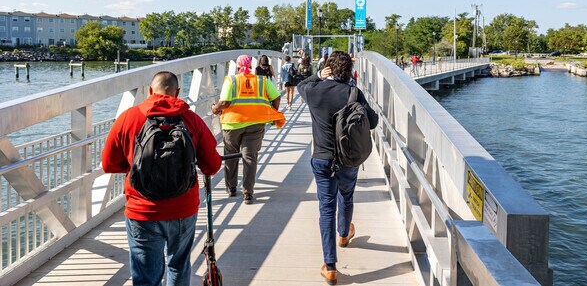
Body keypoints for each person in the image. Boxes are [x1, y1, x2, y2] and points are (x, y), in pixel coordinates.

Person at [102, 71, 222, 286]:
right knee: (178, 265)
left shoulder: (129, 118)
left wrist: (135, 168)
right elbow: (212, 166)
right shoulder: (191, 119)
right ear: (177, 93)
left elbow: (108, 163)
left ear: (150, 91)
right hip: (182, 209)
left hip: (142, 210)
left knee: (146, 276)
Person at [297, 52, 379, 285]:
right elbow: (372, 122)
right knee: (346, 195)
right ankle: (344, 234)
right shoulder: (353, 93)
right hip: (348, 158)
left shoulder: (314, 92)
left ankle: (330, 265)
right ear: (350, 71)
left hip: (322, 159)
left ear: (328, 70)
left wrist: (317, 75)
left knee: (326, 208)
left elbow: (302, 83)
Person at [211, 54, 285, 204]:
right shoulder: (261, 80)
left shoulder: (231, 80)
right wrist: (272, 111)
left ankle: (231, 188)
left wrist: (215, 108)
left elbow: (224, 102)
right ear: (251, 65)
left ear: (238, 66)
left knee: (231, 155)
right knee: (250, 157)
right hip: (255, 124)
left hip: (233, 124)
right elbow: (276, 97)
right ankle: (248, 193)